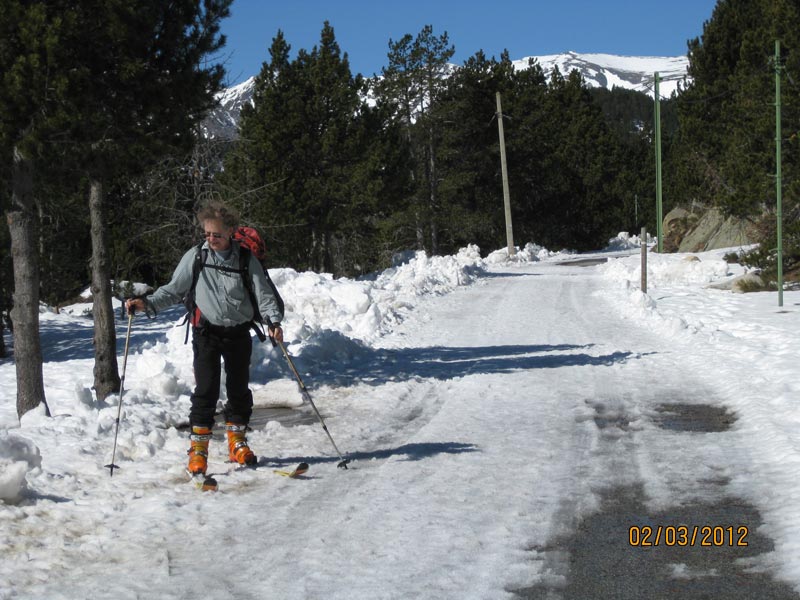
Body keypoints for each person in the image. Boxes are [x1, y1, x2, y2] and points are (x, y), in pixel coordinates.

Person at [127, 201, 284, 475]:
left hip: (238, 332)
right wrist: (147, 304)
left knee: (239, 390)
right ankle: (198, 451)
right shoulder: (197, 256)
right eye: (207, 233)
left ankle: (237, 443)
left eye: (217, 234)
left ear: (231, 231)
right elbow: (174, 290)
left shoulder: (246, 259)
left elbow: (264, 294)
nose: (211, 239)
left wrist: (273, 321)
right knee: (206, 390)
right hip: (206, 333)